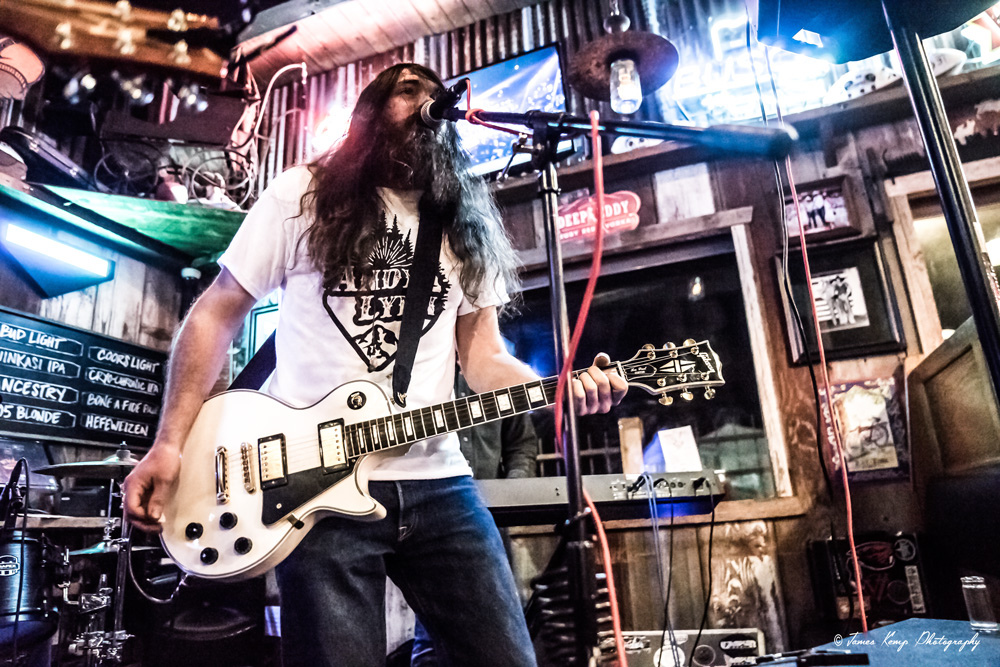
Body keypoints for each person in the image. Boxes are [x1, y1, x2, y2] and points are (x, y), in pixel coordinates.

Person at [122, 62, 627, 667]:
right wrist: (170, 443)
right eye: (408, 90)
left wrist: (558, 388)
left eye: (435, 95)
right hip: (312, 488)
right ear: (368, 113)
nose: (428, 102)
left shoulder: (462, 221)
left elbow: (485, 359)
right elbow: (215, 313)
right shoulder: (302, 195)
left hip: (440, 484)